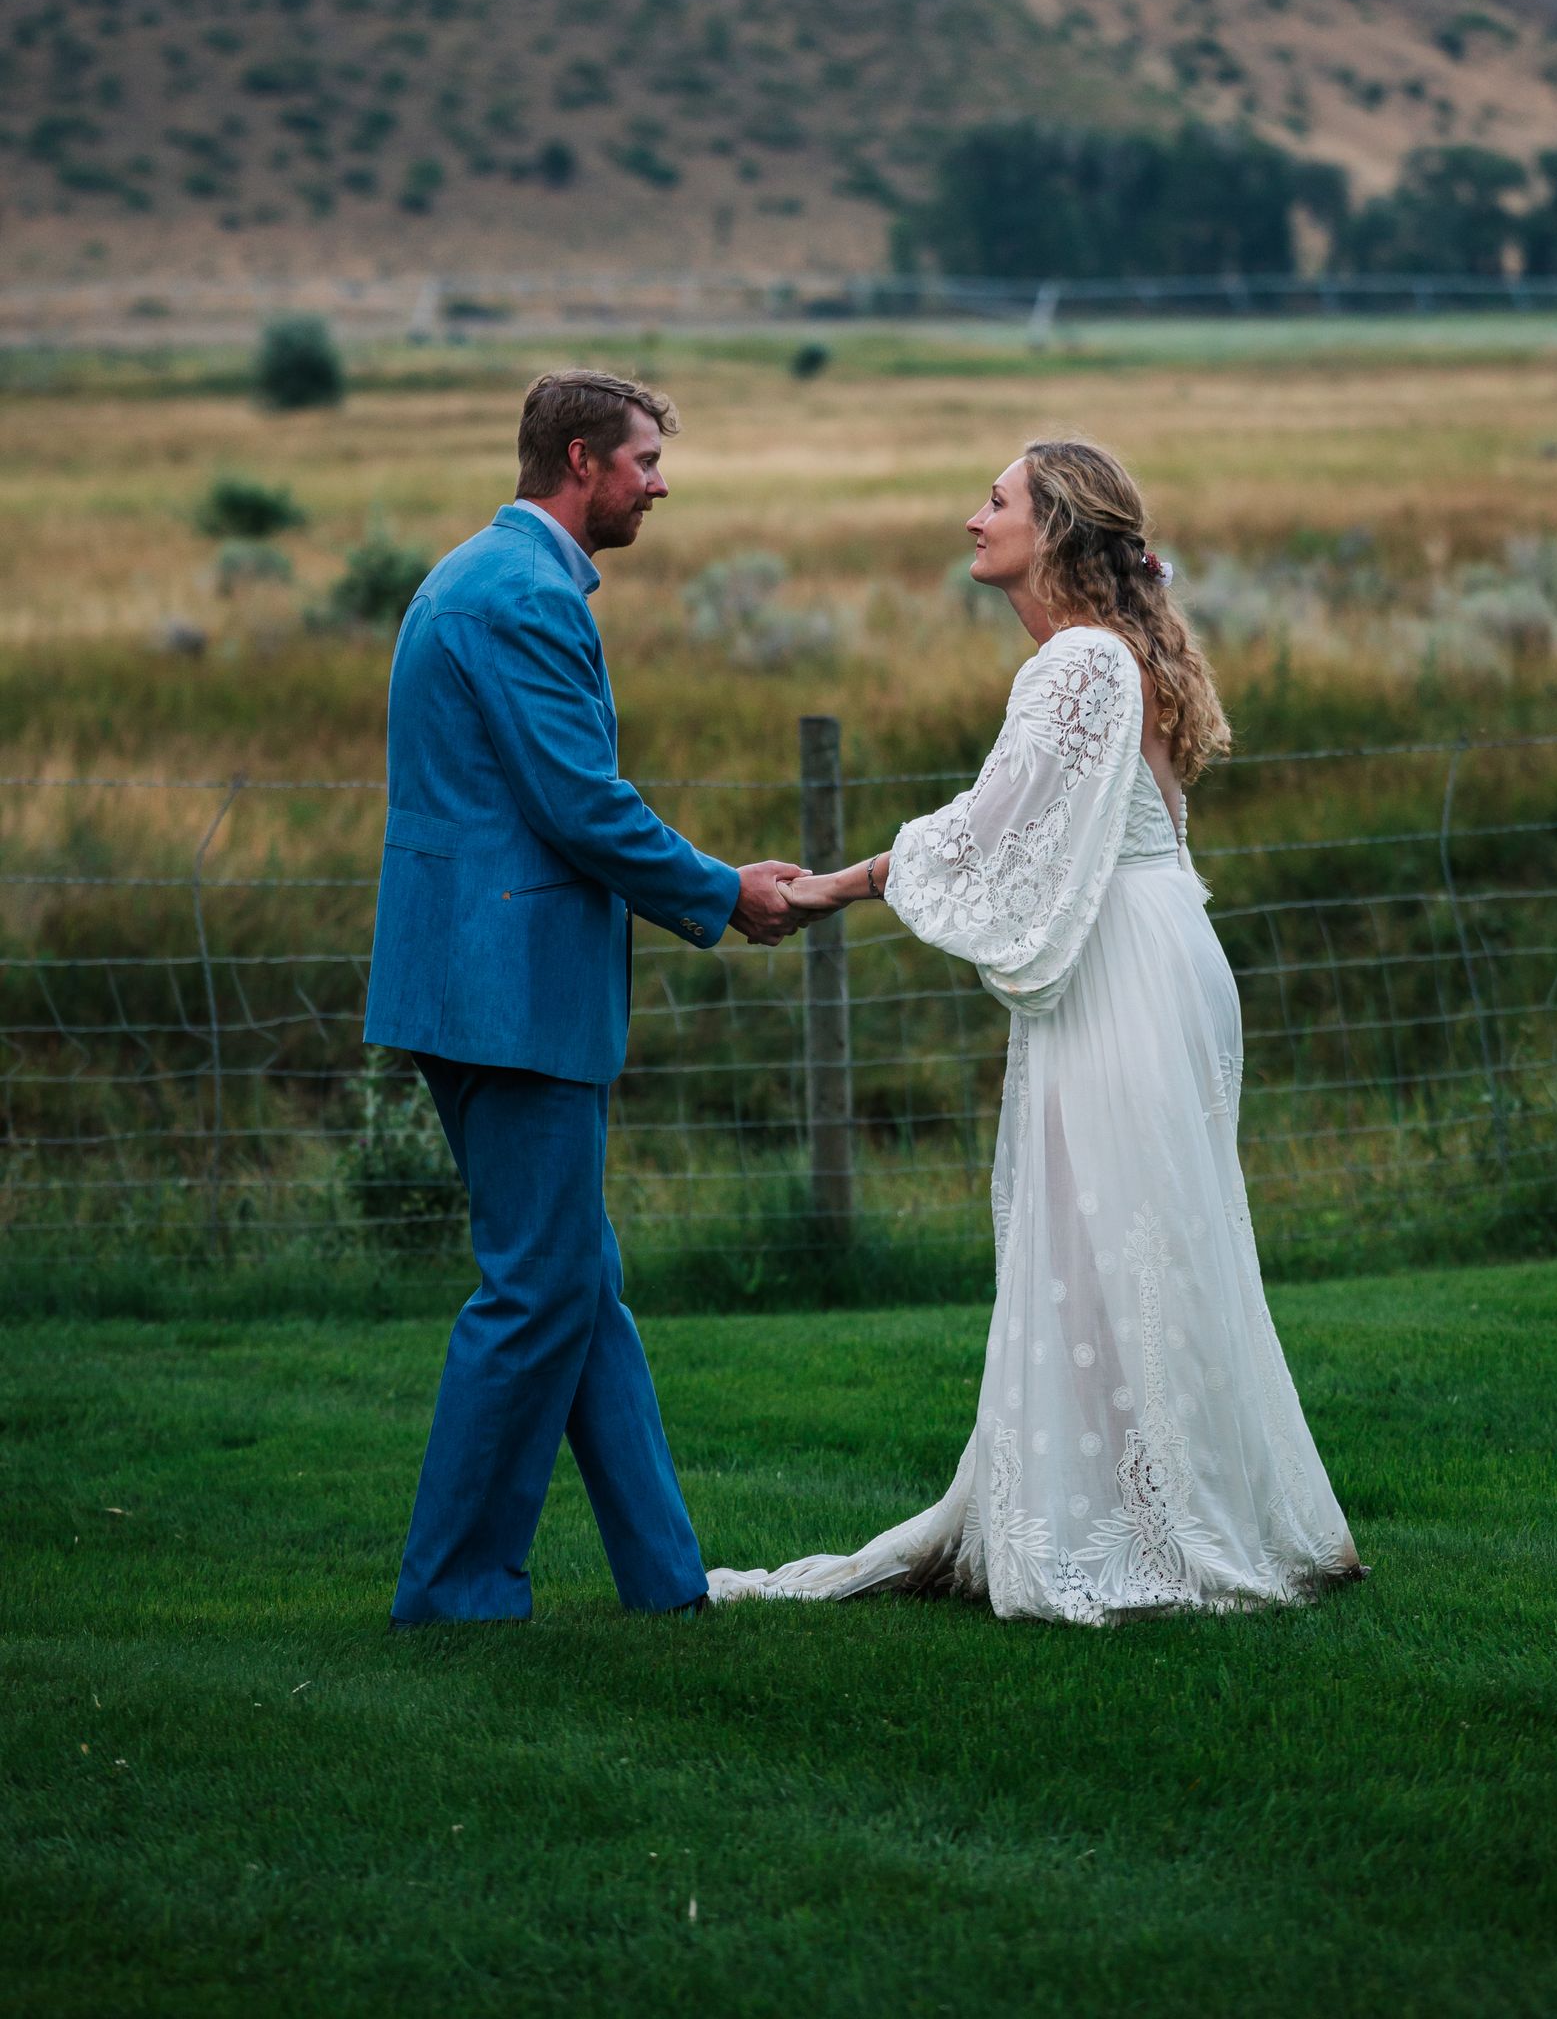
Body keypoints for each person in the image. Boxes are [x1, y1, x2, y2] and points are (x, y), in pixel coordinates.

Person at [707, 437, 1364, 1624]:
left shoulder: (1075, 666)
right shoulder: (1121, 656)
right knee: (1141, 1236)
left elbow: (987, 828)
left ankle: (1133, 1528)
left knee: (1113, 1240)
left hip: (1123, 964)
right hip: (1162, 947)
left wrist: (834, 888)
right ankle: (1157, 1499)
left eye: (996, 500)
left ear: (1056, 528)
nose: (974, 519)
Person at [366, 368, 803, 1628]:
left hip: (483, 982)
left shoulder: (499, 574)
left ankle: (666, 1582)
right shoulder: (517, 592)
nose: (660, 485)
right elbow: (579, 806)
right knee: (538, 1291)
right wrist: (727, 891)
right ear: (578, 458)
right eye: (645, 461)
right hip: (503, 990)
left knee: (576, 1285)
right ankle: (455, 1589)